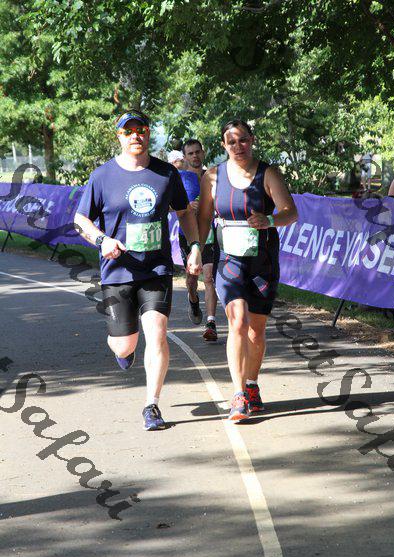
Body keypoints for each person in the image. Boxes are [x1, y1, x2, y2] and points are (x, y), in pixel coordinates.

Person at [74, 109, 202, 431]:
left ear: (148, 133)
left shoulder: (165, 173)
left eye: (141, 130)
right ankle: (124, 350)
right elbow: (80, 219)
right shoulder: (102, 176)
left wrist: (195, 246)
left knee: (157, 332)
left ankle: (151, 405)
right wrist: (102, 240)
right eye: (128, 131)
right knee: (124, 345)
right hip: (117, 271)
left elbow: (184, 213)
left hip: (156, 269)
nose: (135, 136)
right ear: (119, 136)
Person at [198, 119, 298, 420]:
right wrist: (199, 252)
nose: (238, 146)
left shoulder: (268, 173)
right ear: (223, 145)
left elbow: (290, 212)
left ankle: (252, 384)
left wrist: (270, 220)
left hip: (262, 262)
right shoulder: (212, 176)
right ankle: (238, 393)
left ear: (251, 140)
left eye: (242, 140)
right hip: (228, 260)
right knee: (238, 321)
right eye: (231, 142)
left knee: (256, 330)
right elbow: (203, 218)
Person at [180, 139, 218, 341]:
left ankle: (211, 323)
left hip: (210, 233)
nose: (195, 156)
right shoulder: (179, 178)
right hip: (187, 234)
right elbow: (168, 206)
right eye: (190, 153)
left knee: (209, 277)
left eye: (197, 152)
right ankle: (193, 300)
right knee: (192, 279)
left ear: (203, 153)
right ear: (185, 157)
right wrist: (187, 206)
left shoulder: (211, 176)